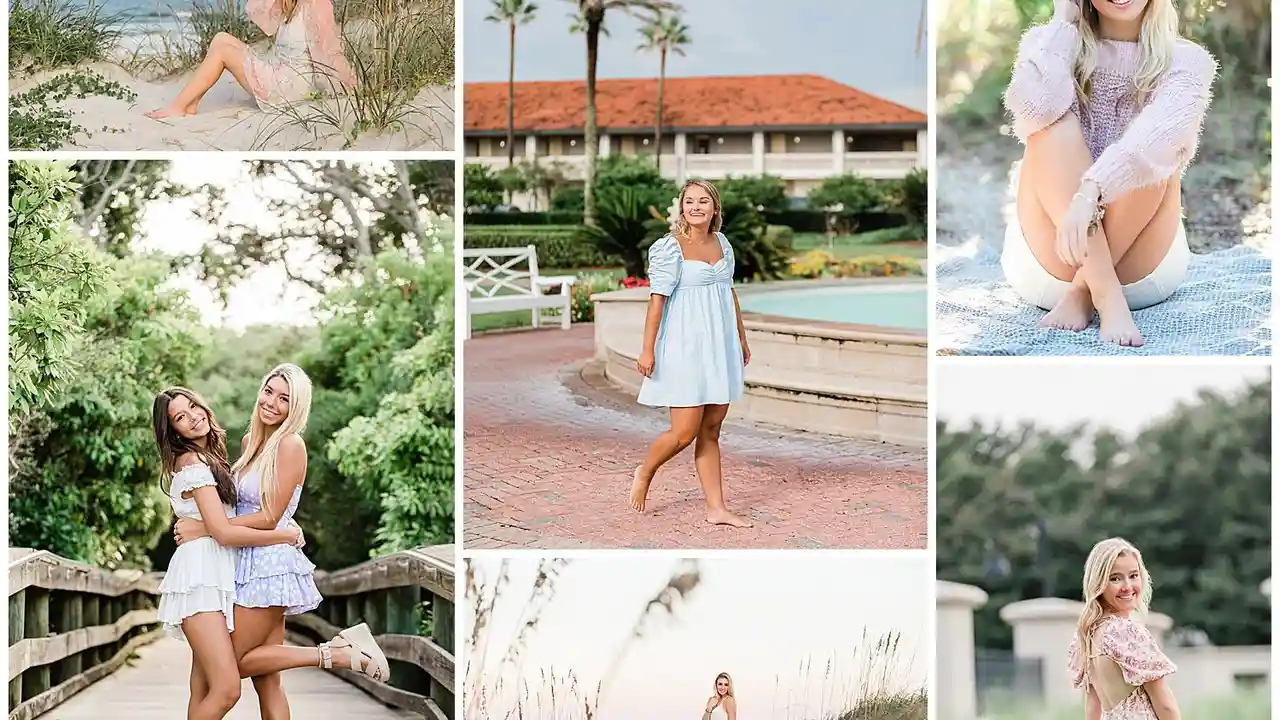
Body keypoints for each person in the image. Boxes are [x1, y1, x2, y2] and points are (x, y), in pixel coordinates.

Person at [154, 386, 387, 720]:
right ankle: (335, 654)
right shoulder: (206, 458)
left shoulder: (251, 451)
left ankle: (336, 653)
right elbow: (224, 525)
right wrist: (280, 533)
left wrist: (282, 531)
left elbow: (260, 515)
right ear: (172, 429)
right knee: (222, 683)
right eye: (180, 416)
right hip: (206, 575)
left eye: (193, 406)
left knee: (229, 680)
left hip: (244, 566)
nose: (192, 416)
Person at [1002, 0, 1217, 347]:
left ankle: (1085, 293)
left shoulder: (1187, 61)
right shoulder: (1048, 42)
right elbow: (1032, 109)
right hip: (1052, 257)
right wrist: (1063, 22)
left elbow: (1156, 142)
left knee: (1157, 146)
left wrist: (1092, 191)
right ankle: (1103, 294)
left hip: (1140, 266)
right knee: (1049, 126)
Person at [628, 179, 752, 528]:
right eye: (689, 201)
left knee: (712, 428)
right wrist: (647, 349)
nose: (696, 207)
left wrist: (740, 339)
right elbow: (657, 302)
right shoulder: (669, 248)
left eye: (703, 201)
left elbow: (729, 294)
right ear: (681, 208)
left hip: (720, 345)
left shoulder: (723, 243)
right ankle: (646, 470)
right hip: (685, 344)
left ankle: (717, 508)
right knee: (684, 432)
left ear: (715, 208)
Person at [144, 0, 356, 118]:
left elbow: (329, 50)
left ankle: (177, 107)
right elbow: (257, 10)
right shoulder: (288, 4)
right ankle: (191, 104)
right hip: (277, 69)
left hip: (289, 86)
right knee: (221, 38)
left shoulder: (317, 4)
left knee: (222, 52)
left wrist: (347, 85)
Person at [1067, 538, 1180, 719]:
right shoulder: (1126, 632)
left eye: (1134, 575)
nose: (1128, 587)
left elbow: (1092, 710)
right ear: (1099, 584)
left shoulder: (1087, 634)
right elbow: (1165, 706)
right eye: (1115, 578)